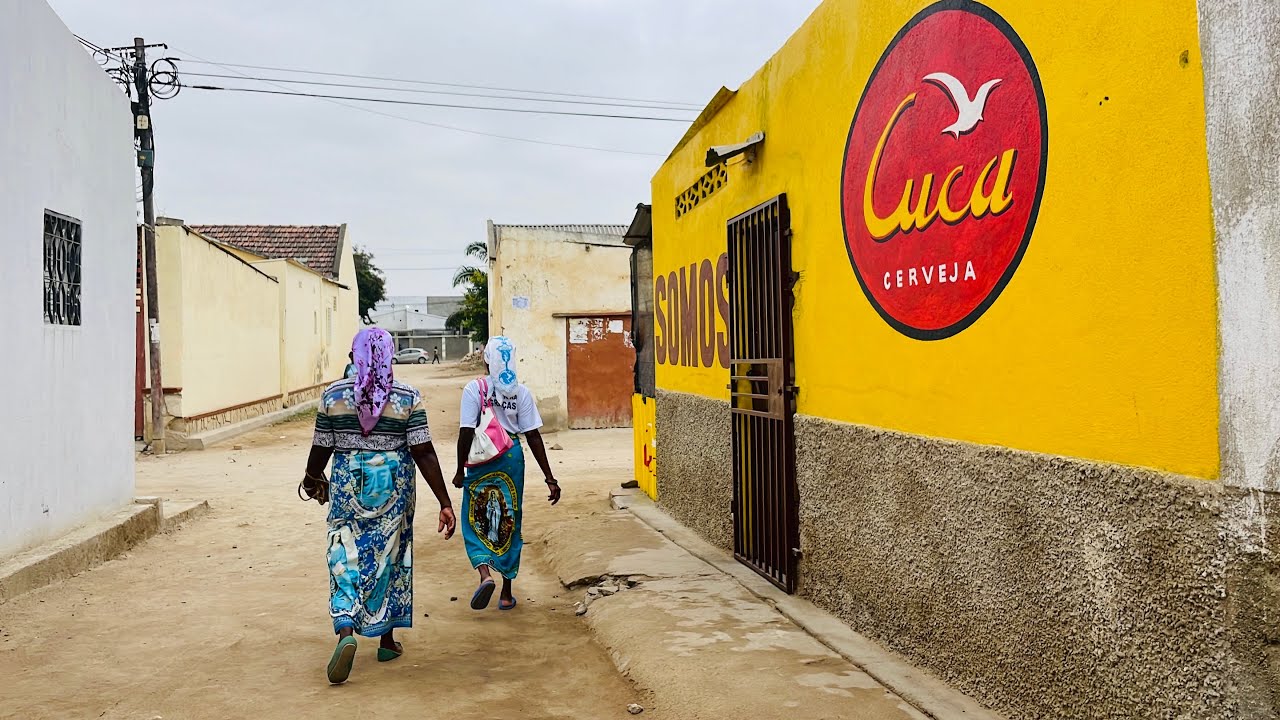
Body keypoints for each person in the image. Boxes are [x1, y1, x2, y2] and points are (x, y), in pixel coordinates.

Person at [301, 327, 456, 685]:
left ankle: (345, 630)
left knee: (344, 550)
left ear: (354, 356)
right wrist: (445, 502)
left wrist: (312, 479)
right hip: (394, 487)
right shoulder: (407, 397)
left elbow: (321, 448)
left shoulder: (333, 397)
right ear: (390, 357)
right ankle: (387, 640)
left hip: (346, 485)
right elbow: (423, 451)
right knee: (391, 554)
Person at [453, 336, 560, 611]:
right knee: (509, 515)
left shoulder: (474, 389)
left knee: (476, 515)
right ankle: (506, 593)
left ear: (487, 359)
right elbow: (533, 436)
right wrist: (550, 478)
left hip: (481, 458)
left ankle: (485, 574)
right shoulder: (521, 392)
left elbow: (466, 431)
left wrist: (458, 468)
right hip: (511, 457)